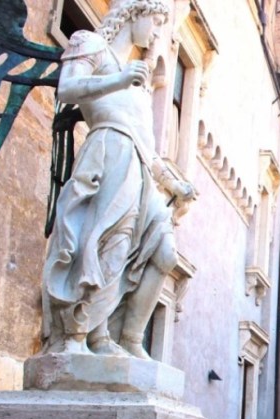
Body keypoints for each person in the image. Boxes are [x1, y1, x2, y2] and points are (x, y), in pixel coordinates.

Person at [41, 0, 196, 358]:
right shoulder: (91, 44)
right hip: (108, 152)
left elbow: (149, 150)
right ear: (134, 15)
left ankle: (127, 336)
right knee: (104, 245)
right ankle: (81, 337)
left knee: (165, 252)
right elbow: (67, 88)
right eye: (155, 22)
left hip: (140, 169)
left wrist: (175, 185)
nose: (157, 33)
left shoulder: (139, 86)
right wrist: (120, 79)